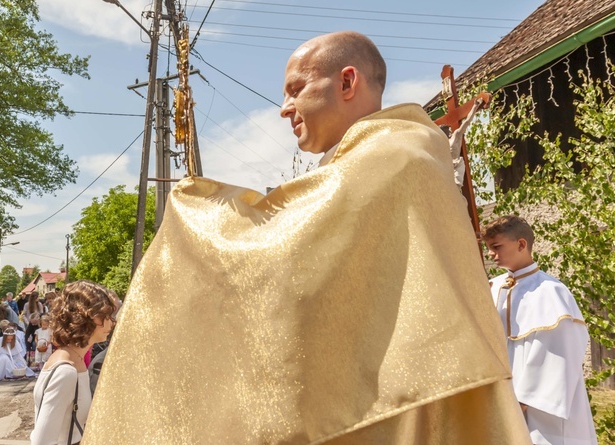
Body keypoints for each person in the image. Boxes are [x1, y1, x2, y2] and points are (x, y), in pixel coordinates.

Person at [82, 32, 531, 444]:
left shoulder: (396, 159)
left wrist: (200, 217)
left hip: (401, 404)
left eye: (296, 89)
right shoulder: (388, 156)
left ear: (347, 82)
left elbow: (285, 249)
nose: (283, 107)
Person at [483, 215, 598, 444]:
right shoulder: (492, 287)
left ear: (521, 244)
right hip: (499, 399)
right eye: (488, 248)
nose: (490, 254)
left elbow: (559, 356)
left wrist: (521, 402)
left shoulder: (551, 291)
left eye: (496, 246)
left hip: (541, 410)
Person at [31, 281, 115, 445]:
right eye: (106, 316)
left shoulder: (74, 360)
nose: (111, 322)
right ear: (85, 317)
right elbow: (42, 441)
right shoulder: (65, 372)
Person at [23, 292, 43, 365]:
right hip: (30, 324)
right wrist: (28, 321)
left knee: (35, 341)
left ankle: (37, 359)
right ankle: (30, 358)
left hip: (37, 325)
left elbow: (41, 313)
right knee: (28, 340)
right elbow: (24, 315)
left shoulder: (39, 304)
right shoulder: (27, 305)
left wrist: (38, 320)